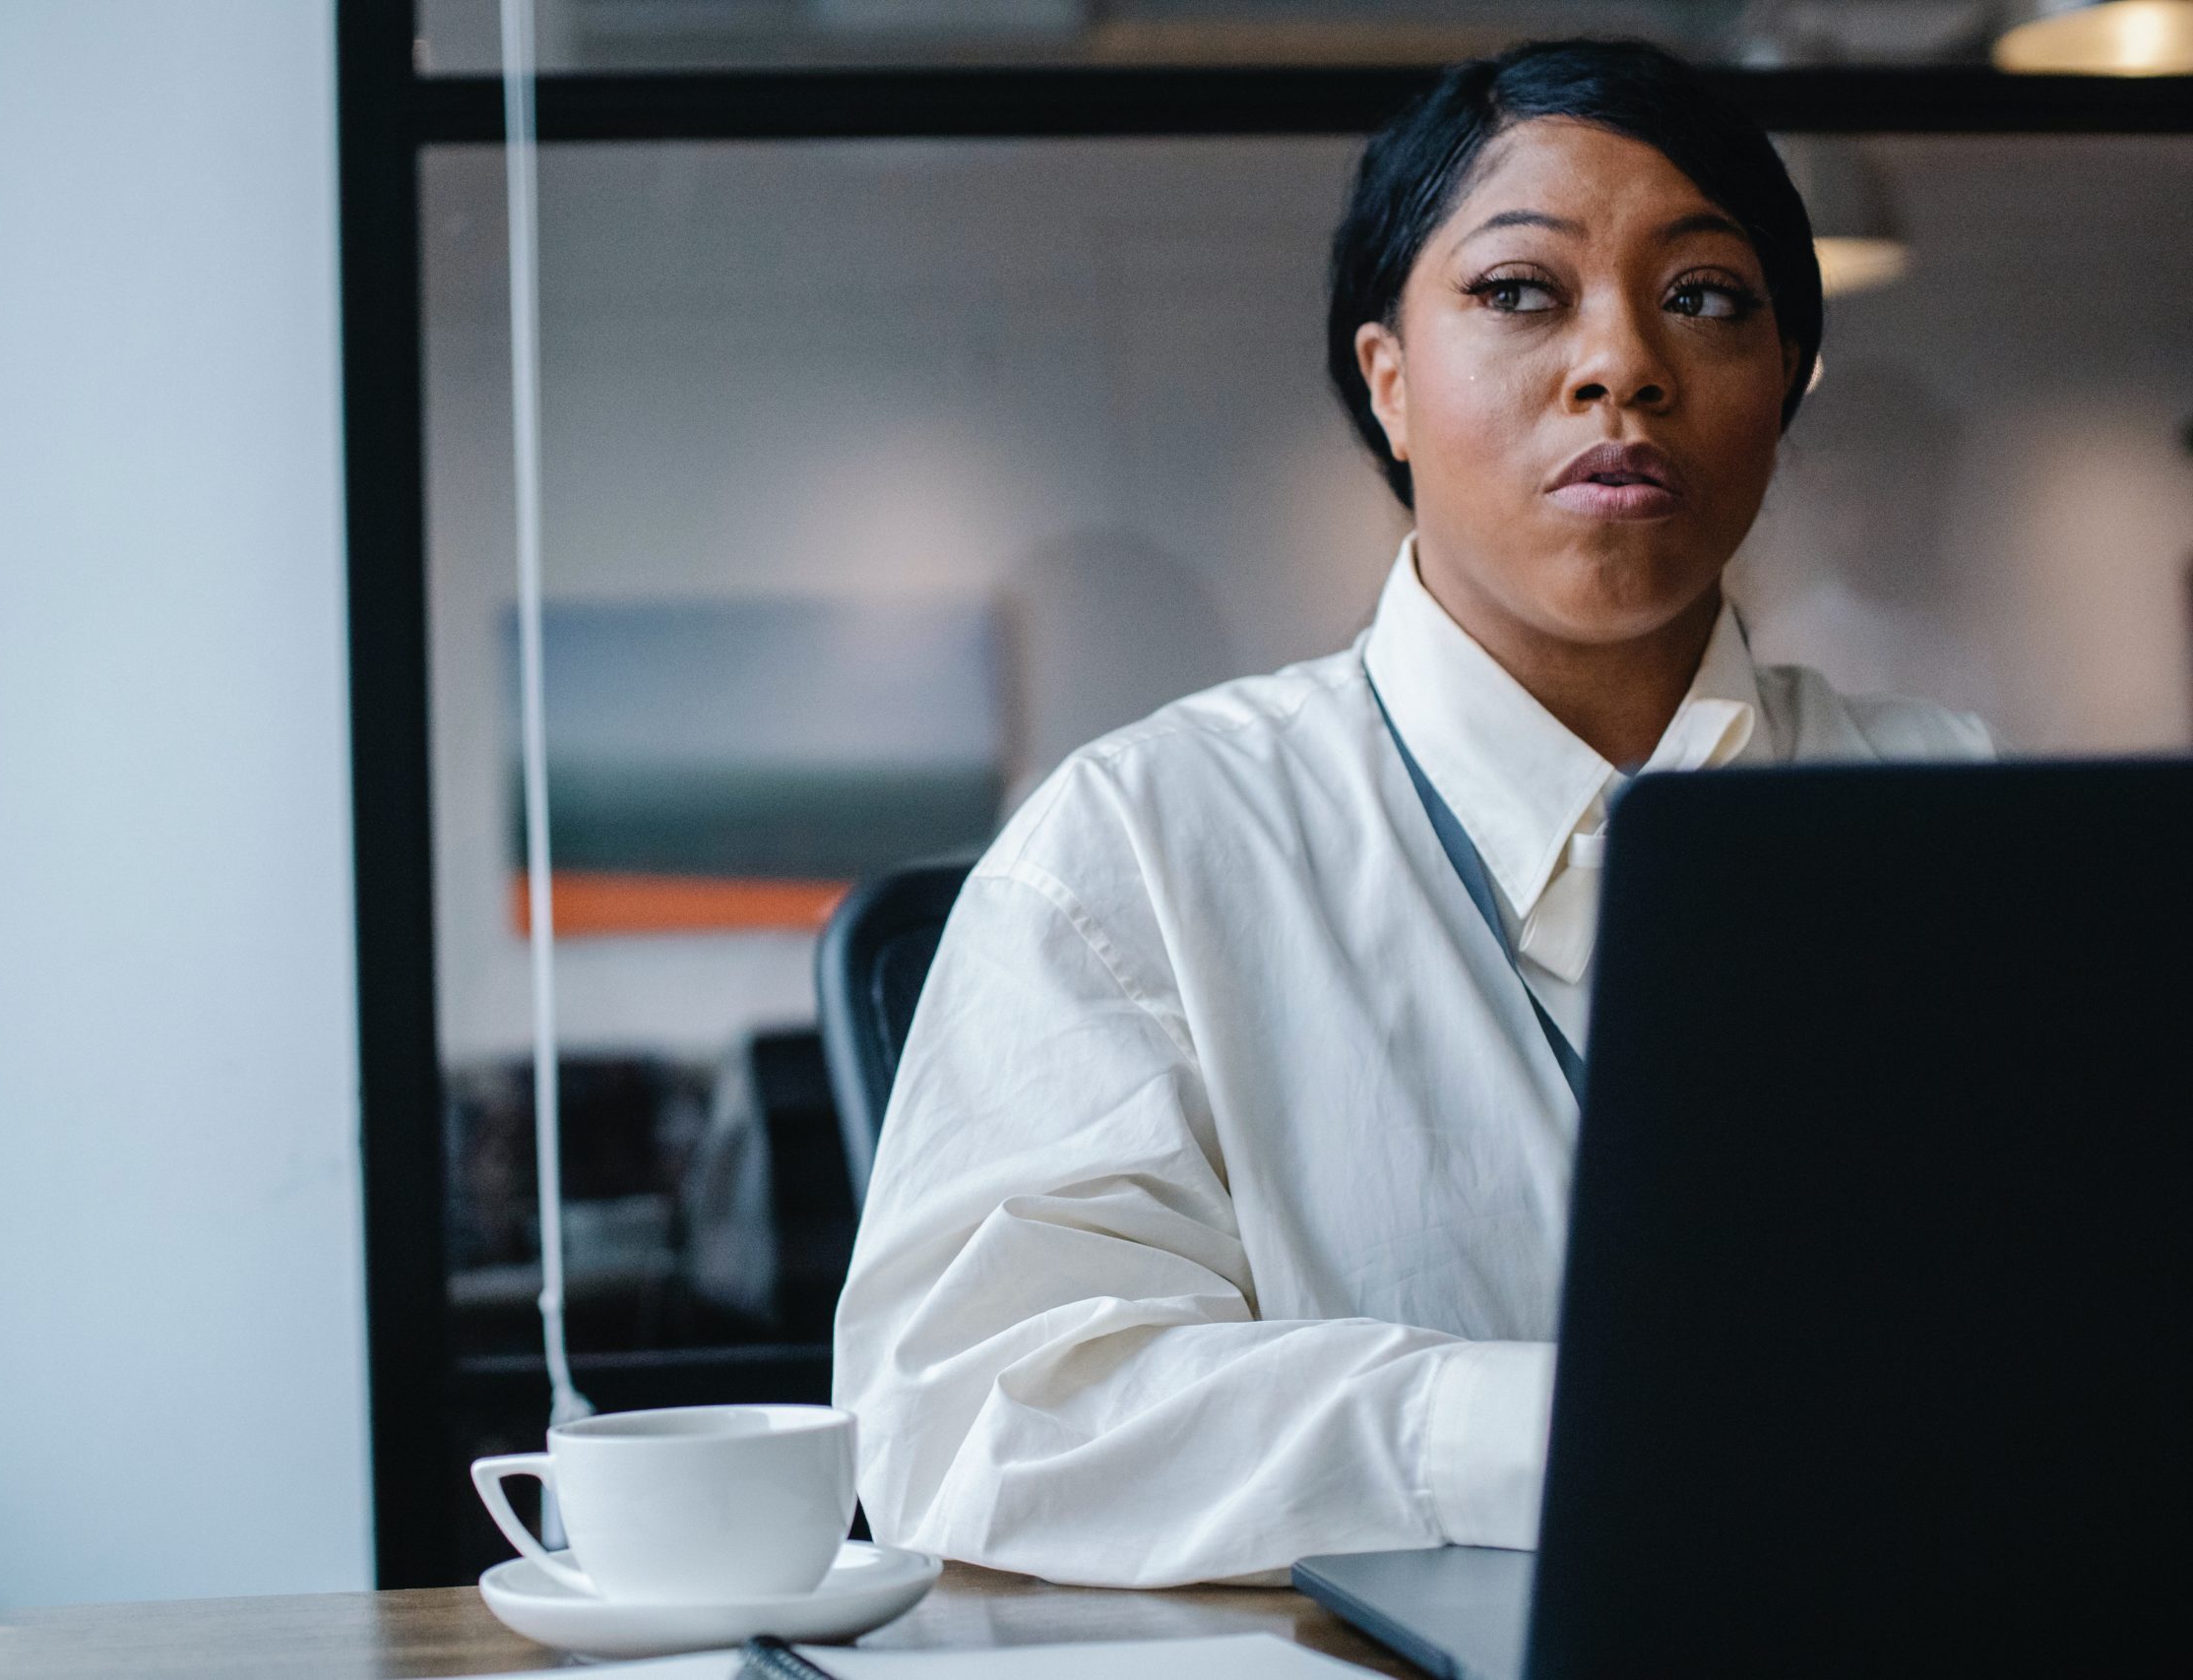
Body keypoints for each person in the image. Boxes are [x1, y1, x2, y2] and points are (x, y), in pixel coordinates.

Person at [830, 36, 1992, 1589]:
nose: (1623, 364)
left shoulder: (1972, 818)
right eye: (1522, 292)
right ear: (1388, 381)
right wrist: (1541, 1431)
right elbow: (970, 1417)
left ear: (1784, 387)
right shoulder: (1141, 850)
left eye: (1706, 296)